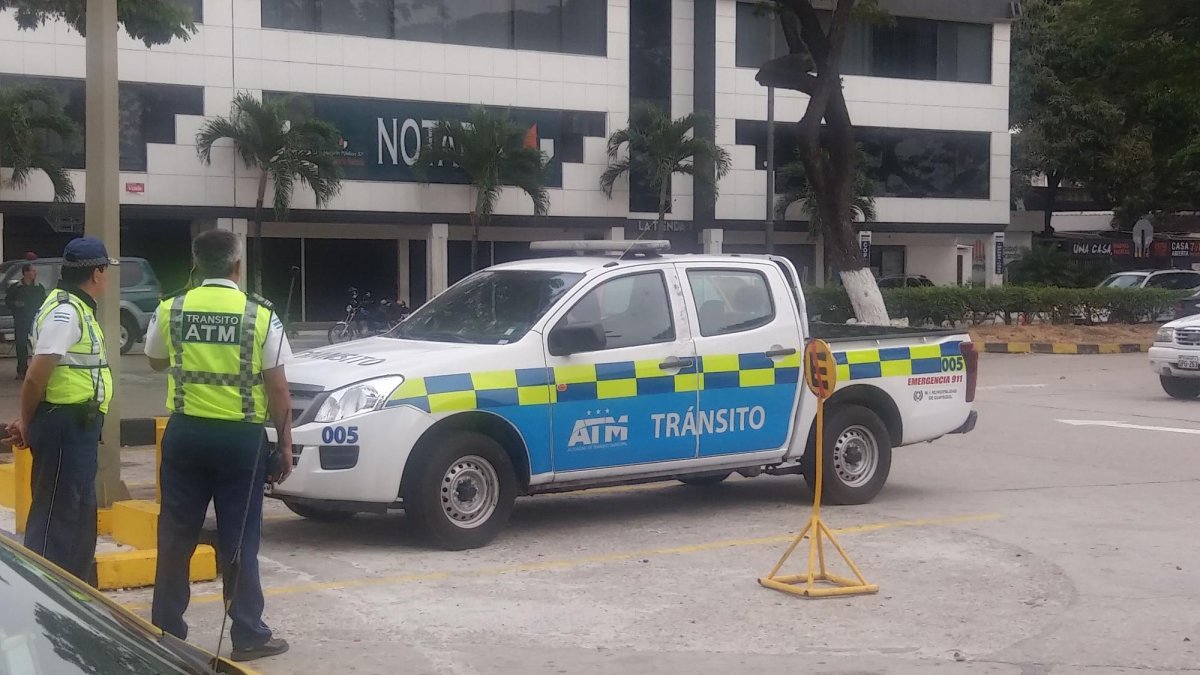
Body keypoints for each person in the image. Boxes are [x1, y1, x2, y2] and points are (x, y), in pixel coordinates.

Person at [144, 229, 294, 663]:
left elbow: (155, 359)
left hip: (186, 435)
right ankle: (247, 634)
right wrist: (285, 445)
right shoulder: (260, 315)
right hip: (240, 441)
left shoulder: (171, 308)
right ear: (237, 266)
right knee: (239, 539)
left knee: (175, 535)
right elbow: (279, 390)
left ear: (196, 264)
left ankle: (165, 631)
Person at [6, 238, 116, 582]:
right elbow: (36, 376)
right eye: (106, 271)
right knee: (56, 517)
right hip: (63, 426)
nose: (107, 278)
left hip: (77, 427)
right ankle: (44, 594)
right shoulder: (66, 312)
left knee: (78, 513)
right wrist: (26, 420)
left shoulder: (77, 308)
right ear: (96, 274)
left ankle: (76, 591)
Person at [6, 263, 47, 380]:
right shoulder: (16, 288)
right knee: (21, 345)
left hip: (35, 320)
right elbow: (8, 301)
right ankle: (22, 371)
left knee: (38, 346)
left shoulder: (39, 288)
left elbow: (44, 303)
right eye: (33, 271)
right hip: (21, 320)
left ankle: (37, 370)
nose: (35, 273)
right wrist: (16, 304)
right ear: (26, 273)